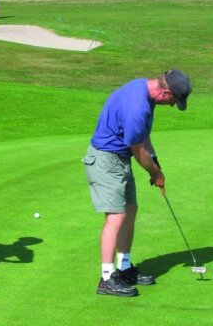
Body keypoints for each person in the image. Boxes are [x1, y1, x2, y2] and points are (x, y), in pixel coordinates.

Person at [82, 69, 192, 297]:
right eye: (173, 100)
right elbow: (137, 149)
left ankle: (124, 268)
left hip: (119, 159)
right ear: (165, 92)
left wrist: (156, 164)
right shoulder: (137, 108)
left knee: (130, 209)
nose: (172, 105)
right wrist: (155, 174)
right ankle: (106, 278)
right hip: (106, 159)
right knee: (116, 216)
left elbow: (144, 137)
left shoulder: (145, 90)